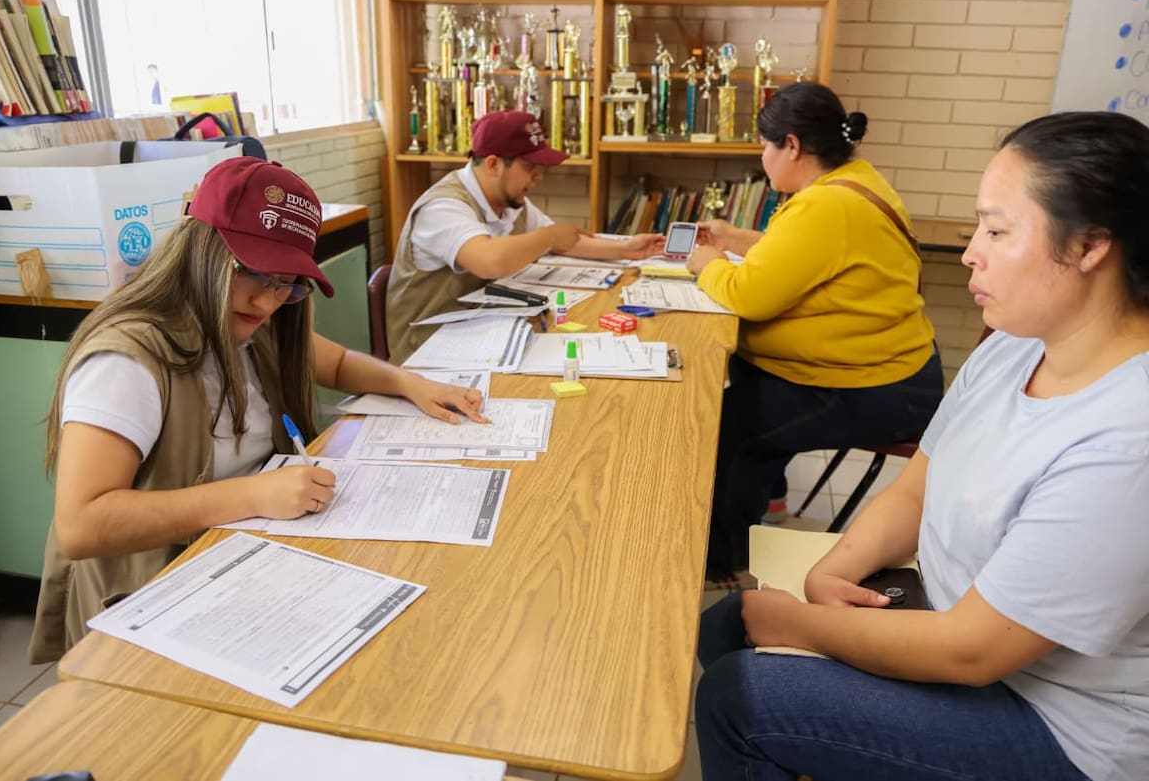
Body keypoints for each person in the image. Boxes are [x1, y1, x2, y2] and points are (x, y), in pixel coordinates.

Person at [695, 110, 1149, 781]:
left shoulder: (1127, 438)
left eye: (998, 230)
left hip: (1056, 723)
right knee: (725, 626)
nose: (971, 251)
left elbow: (971, 651)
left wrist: (805, 624)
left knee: (740, 697)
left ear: (1089, 246)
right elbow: (916, 486)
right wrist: (830, 573)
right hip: (953, 618)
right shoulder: (1015, 347)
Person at [29, 157, 486, 663]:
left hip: (246, 557)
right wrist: (250, 495)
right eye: (253, 272)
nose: (269, 301)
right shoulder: (127, 358)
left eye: (287, 283)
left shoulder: (249, 321)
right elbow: (81, 525)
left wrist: (407, 382)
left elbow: (334, 363)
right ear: (200, 248)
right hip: (152, 594)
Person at [687, 83, 942, 587]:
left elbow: (747, 295)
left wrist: (706, 263)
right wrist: (735, 239)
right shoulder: (851, 181)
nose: (763, 157)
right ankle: (769, 497)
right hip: (897, 372)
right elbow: (806, 254)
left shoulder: (824, 205)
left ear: (793, 146)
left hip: (878, 389)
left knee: (735, 430)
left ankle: (727, 560)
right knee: (745, 384)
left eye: (765, 146)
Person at [385, 110, 664, 364]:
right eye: (530, 167)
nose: (540, 176)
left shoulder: (509, 201)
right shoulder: (443, 206)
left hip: (482, 338)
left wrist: (626, 249)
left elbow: (566, 243)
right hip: (427, 356)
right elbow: (490, 260)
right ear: (494, 164)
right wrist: (550, 236)